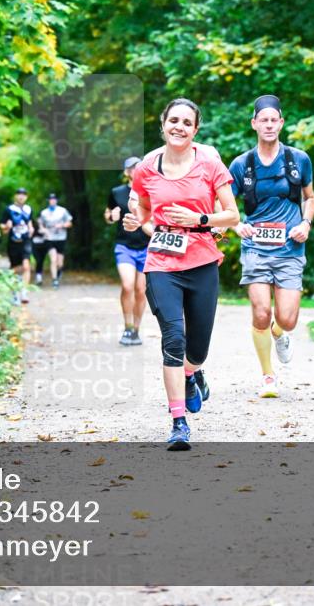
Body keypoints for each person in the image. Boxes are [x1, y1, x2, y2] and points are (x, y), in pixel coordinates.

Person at [123, 98, 239, 450]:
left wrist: (201, 221)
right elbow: (140, 207)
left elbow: (232, 216)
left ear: (195, 129)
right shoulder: (147, 167)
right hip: (162, 264)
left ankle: (192, 373)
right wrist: (142, 224)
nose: (179, 126)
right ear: (163, 124)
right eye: (173, 120)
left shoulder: (209, 163)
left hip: (202, 261)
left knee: (198, 348)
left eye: (186, 122)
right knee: (173, 338)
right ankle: (178, 422)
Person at [228, 95, 314, 399]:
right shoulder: (242, 164)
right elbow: (224, 202)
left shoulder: (299, 159)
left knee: (287, 319)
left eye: (273, 119)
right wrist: (237, 224)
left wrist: (305, 223)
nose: (268, 124)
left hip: (290, 249)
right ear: (254, 124)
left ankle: (279, 334)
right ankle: (268, 376)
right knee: (261, 311)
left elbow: (311, 197)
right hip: (255, 248)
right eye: (262, 119)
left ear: (281, 122)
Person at [106, 157, 152, 346]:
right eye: (132, 168)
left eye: (139, 166)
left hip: (146, 246)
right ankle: (127, 327)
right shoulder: (116, 192)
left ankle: (136, 330)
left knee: (141, 290)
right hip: (124, 246)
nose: (136, 169)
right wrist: (111, 216)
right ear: (126, 172)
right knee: (127, 285)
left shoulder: (151, 192)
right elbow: (107, 215)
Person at [0, 188, 34, 304]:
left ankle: (24, 292)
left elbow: (29, 221)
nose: (21, 197)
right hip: (13, 242)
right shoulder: (9, 209)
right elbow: (2, 226)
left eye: (24, 195)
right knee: (15, 269)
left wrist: (31, 228)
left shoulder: (28, 209)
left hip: (26, 241)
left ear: (26, 197)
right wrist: (6, 227)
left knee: (26, 266)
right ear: (15, 196)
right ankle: (14, 293)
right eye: (19, 194)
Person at [38, 193, 73, 288]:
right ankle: (54, 280)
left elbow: (70, 223)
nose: (52, 201)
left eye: (54, 199)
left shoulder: (62, 211)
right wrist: (43, 230)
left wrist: (62, 225)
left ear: (56, 200)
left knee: (60, 263)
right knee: (53, 260)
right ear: (48, 201)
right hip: (49, 238)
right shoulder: (44, 213)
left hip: (61, 238)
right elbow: (40, 224)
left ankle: (59, 273)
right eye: (50, 199)